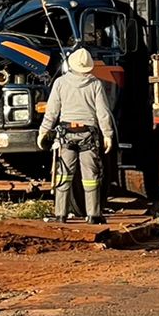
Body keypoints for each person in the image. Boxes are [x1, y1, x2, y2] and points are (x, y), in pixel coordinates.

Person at [37, 47, 115, 224]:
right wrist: (107, 134)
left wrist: (43, 131)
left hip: (66, 135)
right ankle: (93, 215)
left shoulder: (60, 83)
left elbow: (52, 112)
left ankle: (61, 215)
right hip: (89, 135)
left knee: (64, 174)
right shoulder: (95, 84)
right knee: (91, 177)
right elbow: (103, 112)